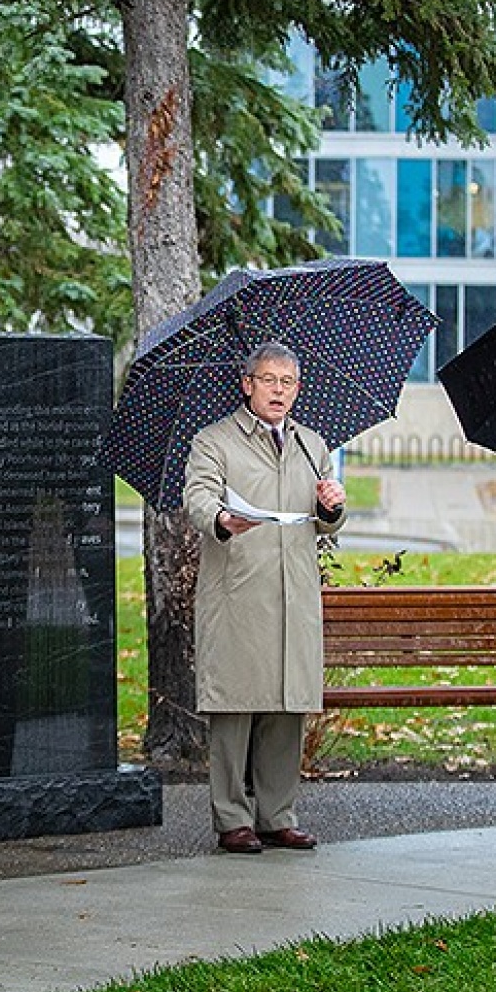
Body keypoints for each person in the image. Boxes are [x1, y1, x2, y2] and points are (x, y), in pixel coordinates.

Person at [180, 342, 345, 855]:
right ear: (247, 384)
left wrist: (333, 508)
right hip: (239, 593)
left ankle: (278, 814)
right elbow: (198, 496)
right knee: (235, 706)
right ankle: (232, 819)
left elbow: (323, 522)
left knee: (286, 706)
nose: (279, 390)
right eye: (269, 380)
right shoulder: (215, 442)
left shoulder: (310, 445)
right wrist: (222, 519)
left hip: (294, 593)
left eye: (288, 382)